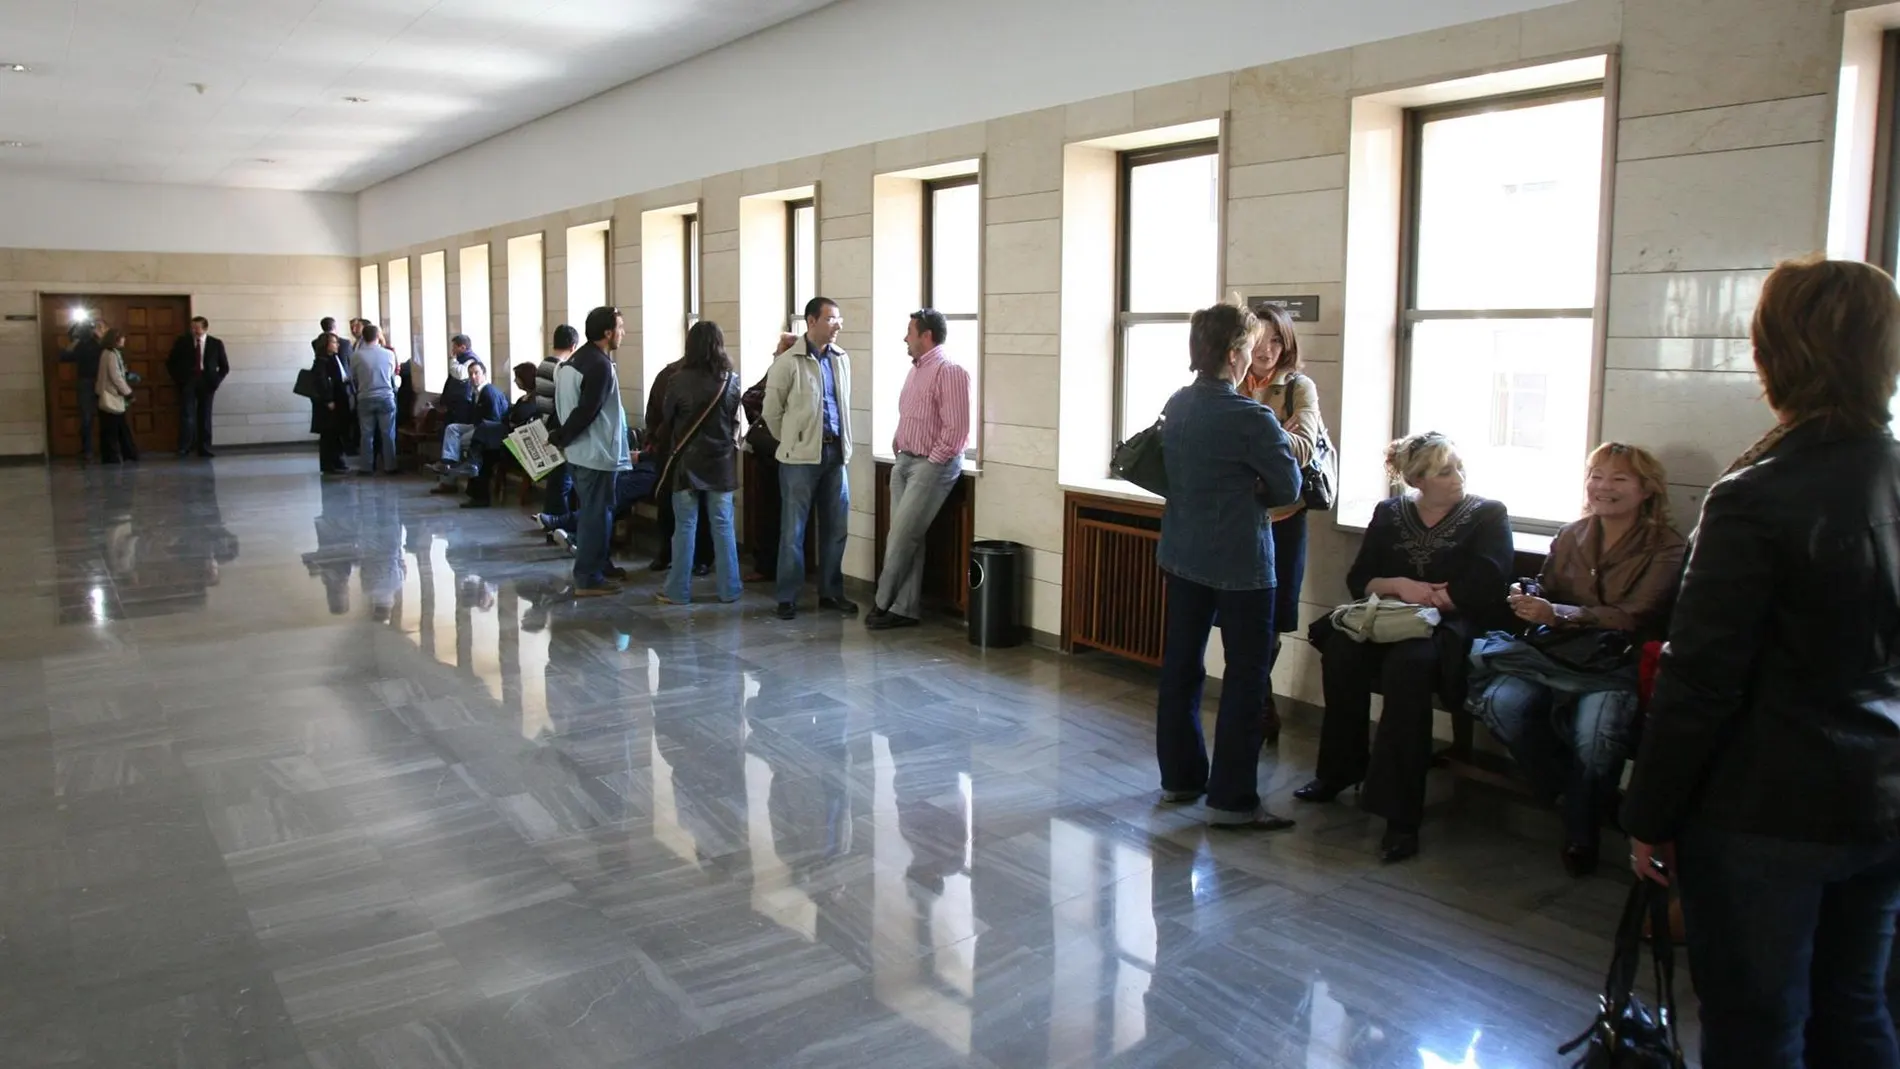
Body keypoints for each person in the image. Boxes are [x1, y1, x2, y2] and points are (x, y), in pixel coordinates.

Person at [1623, 257, 1900, 1068]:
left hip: (1765, 809)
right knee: (1855, 1006)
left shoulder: (1756, 492)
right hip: (1881, 791)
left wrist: (1650, 812)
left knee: (1755, 1024)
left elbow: (1701, 679)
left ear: (1776, 352)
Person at [1467, 443, 1686, 877]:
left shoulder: (1667, 546)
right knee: (1500, 702)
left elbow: (1636, 614)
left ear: (1646, 490)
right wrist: (1530, 596)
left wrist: (1563, 614)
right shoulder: (1573, 534)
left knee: (1596, 731)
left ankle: (1580, 830)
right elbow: (1549, 587)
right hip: (1556, 653)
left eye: (1619, 479)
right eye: (1597, 476)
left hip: (1616, 660)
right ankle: (1574, 799)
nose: (1603, 487)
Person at [1294, 432, 1513, 863]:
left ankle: (1399, 813)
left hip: (1447, 626)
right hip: (1387, 616)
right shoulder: (1390, 512)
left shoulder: (1488, 514)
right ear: (1418, 479)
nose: (1457, 477)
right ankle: (1340, 769)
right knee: (1341, 652)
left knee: (1408, 669)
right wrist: (1403, 587)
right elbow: (1361, 579)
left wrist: (1432, 602)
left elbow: (1488, 582)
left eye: (1458, 468)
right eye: (1445, 472)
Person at [1151, 301, 1302, 830]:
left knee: (1181, 666)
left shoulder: (1178, 403)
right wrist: (1252, 487)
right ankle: (1233, 799)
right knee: (1244, 677)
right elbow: (1289, 487)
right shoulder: (1252, 417)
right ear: (1236, 353)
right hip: (1241, 562)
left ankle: (1181, 777)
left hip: (1182, 553)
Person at [1241, 303, 1323, 746]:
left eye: (1276, 340)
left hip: (1284, 520)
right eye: (1259, 338)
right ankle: (1257, 702)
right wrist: (1276, 430)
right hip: (1239, 519)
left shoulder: (1298, 387)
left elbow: (1304, 447)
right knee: (1242, 618)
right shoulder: (1229, 382)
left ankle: (1253, 701)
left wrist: (1256, 438)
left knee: (1270, 621)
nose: (1267, 349)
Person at [867, 310, 971, 631]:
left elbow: (956, 431)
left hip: (931, 465)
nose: (905, 338)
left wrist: (933, 461)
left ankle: (882, 602)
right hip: (906, 462)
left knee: (901, 537)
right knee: (906, 537)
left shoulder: (949, 371)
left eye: (909, 332)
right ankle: (905, 609)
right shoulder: (915, 370)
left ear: (926, 336)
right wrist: (900, 444)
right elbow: (911, 414)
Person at [764, 296, 855, 621]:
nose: (838, 325)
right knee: (794, 530)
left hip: (835, 454)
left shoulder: (841, 359)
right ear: (812, 321)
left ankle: (831, 592)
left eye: (839, 319)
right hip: (799, 457)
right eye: (831, 319)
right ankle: (788, 596)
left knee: (836, 527)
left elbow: (843, 406)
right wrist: (793, 441)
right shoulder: (789, 362)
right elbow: (771, 413)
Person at [657, 321, 744, 606]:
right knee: (723, 525)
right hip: (720, 463)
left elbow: (667, 419)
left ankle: (678, 590)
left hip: (686, 464)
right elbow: (733, 419)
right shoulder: (732, 379)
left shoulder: (677, 380)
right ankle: (729, 589)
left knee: (684, 527)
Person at [548, 306, 632, 598]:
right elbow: (587, 411)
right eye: (620, 327)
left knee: (597, 513)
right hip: (595, 453)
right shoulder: (599, 365)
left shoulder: (575, 361)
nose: (623, 333)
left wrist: (562, 438)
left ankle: (600, 564)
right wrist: (562, 436)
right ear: (608, 333)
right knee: (596, 515)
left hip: (582, 453)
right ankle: (588, 576)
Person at [644, 353, 714, 576]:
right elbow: (655, 412)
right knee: (680, 504)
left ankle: (681, 555)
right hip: (677, 451)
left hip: (678, 451)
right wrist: (653, 438)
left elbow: (655, 414)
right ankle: (686, 555)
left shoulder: (673, 376)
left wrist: (655, 437)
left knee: (680, 504)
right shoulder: (671, 376)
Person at [462, 363, 544, 508]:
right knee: (484, 452)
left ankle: (472, 465)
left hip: (519, 445)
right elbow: (509, 417)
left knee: (484, 434)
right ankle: (477, 493)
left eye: (517, 378)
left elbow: (517, 418)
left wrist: (511, 419)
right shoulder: (524, 398)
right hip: (507, 439)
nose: (515, 382)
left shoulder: (535, 399)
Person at [431, 359, 507, 494]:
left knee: (457, 441)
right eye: (470, 374)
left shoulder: (489, 392)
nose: (473, 377)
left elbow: (495, 420)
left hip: (488, 431)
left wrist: (477, 430)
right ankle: (448, 460)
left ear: (484, 374)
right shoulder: (475, 392)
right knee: (452, 428)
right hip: (477, 426)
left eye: (476, 373)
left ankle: (449, 481)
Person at [533, 325, 579, 536]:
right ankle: (558, 526)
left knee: (555, 481)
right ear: (573, 346)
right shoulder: (561, 369)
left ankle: (549, 518)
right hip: (557, 431)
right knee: (563, 482)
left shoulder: (543, 364)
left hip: (543, 426)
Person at [166, 315, 228, 458]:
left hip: (207, 382)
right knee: (187, 415)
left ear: (205, 328)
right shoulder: (182, 342)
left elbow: (224, 367)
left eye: (197, 328)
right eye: (192, 327)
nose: (194, 330)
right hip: (188, 381)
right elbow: (171, 363)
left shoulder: (216, 343)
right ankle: (184, 447)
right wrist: (180, 380)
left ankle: (204, 447)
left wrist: (215, 381)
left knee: (205, 415)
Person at [350, 324, 399, 475]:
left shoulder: (356, 355)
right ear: (378, 336)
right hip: (386, 397)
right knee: (388, 433)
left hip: (365, 397)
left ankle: (366, 467)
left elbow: (354, 377)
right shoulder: (389, 354)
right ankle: (390, 466)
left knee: (366, 434)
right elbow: (392, 375)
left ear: (363, 337)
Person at [60, 319, 107, 462]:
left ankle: (105, 448)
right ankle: (88, 450)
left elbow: (111, 351)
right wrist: (76, 338)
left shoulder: (101, 343)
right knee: (86, 417)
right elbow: (65, 356)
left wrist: (100, 335)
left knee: (107, 414)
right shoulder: (80, 344)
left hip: (101, 381)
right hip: (86, 382)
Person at [309, 332, 354, 475]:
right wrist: (328, 400)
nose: (337, 345)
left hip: (339, 400)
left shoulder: (333, 358)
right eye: (334, 342)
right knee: (329, 434)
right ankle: (330, 463)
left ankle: (337, 461)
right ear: (326, 345)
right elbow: (322, 383)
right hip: (330, 403)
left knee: (335, 433)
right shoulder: (321, 361)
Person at [95, 328, 138, 464]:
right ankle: (116, 455)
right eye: (122, 337)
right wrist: (128, 392)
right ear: (116, 339)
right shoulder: (111, 354)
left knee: (118, 426)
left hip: (109, 394)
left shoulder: (108, 353)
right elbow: (116, 377)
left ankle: (127, 453)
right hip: (112, 395)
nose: (124, 340)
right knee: (113, 428)